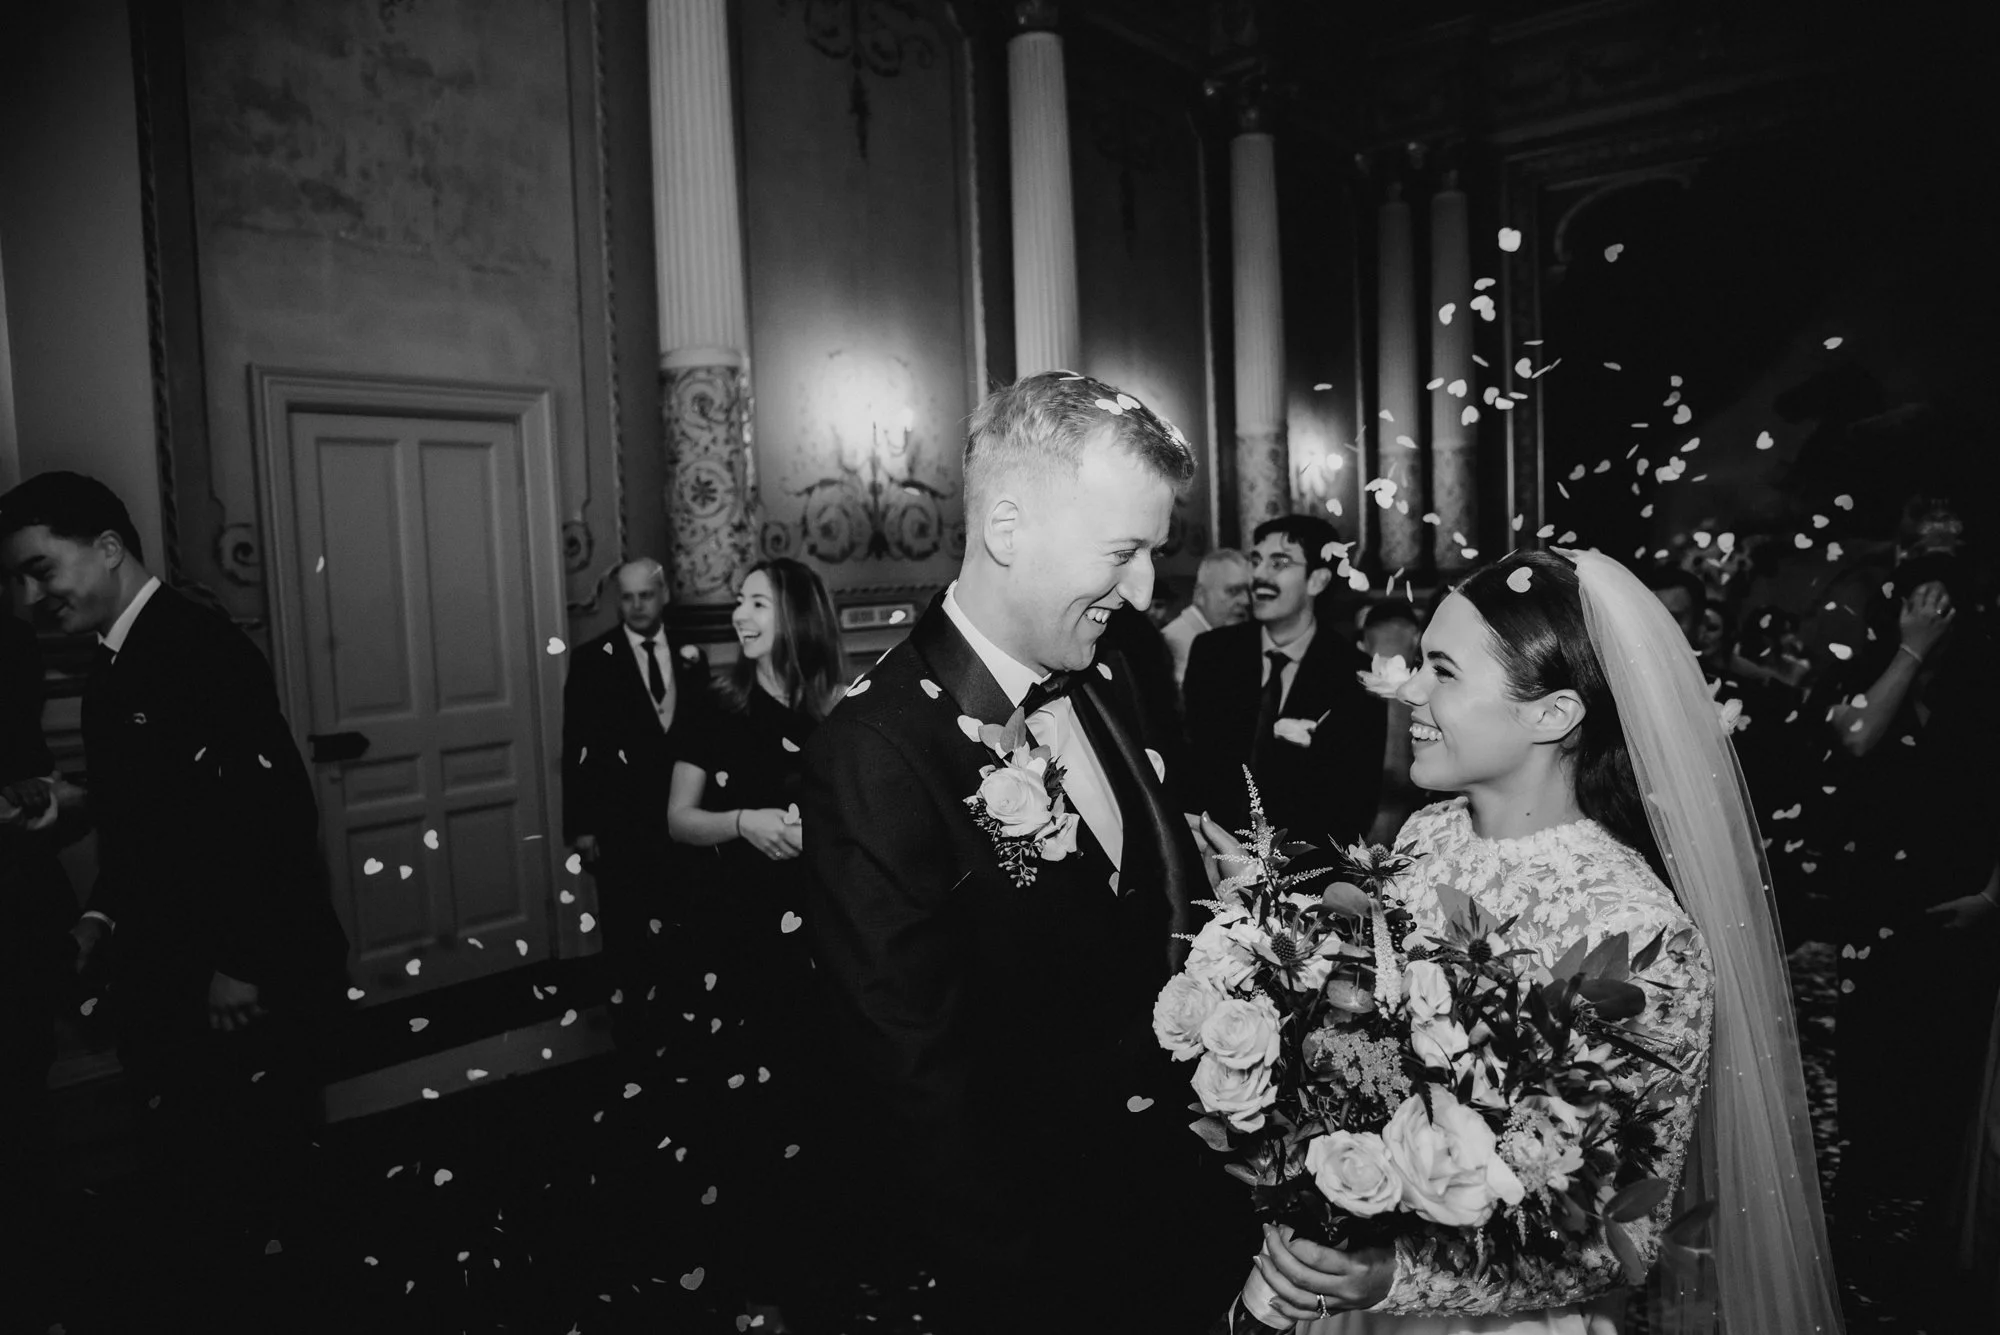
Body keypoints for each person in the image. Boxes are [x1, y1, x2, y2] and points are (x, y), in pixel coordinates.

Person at [1240, 549, 1841, 1335]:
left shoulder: (1635, 934)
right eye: (1420, 662)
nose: (1410, 690)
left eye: (1443, 671)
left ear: (1553, 713)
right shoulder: (1430, 832)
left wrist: (1398, 1276)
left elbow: (1613, 1234)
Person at [800, 371, 1244, 1335]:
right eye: (1123, 552)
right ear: (1008, 529)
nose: (1141, 590)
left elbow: (1146, 913)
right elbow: (913, 1082)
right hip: (1040, 1265)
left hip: (1177, 1217)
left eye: (1152, 556)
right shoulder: (876, 754)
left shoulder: (1110, 674)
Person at [0, 471, 348, 1321]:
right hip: (174, 974)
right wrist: (95, 913)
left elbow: (273, 812)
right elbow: (157, 818)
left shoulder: (195, 643)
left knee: (267, 1180)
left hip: (238, 981)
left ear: (108, 548)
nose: (28, 596)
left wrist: (240, 962)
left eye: (41, 570)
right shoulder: (114, 660)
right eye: (16, 580)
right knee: (206, 1183)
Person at [665, 557, 843, 1332]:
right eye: (738, 600)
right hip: (732, 932)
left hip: (814, 934)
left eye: (757, 601)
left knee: (811, 1104)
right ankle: (748, 1275)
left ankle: (816, 1261)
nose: (739, 613)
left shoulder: (832, 710)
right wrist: (746, 821)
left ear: (796, 615)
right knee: (744, 1115)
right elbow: (678, 818)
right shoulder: (715, 702)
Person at [1824, 543, 2000, 1316]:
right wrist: (1908, 653)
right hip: (1877, 910)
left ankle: (1932, 1242)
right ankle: (1859, 1232)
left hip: (1966, 908)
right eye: (1914, 604)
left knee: (1948, 1075)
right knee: (1869, 1063)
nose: (1928, 616)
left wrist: (1995, 898)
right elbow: (1857, 738)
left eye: (1941, 607)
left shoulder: (1988, 685)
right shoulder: (1858, 674)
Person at [560, 558, 708, 1043]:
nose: (637, 605)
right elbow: (576, 747)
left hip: (680, 817)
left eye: (646, 595)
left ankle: (683, 1015)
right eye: (627, 597)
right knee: (625, 932)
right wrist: (581, 827)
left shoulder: (691, 654)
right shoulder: (590, 660)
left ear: (662, 594)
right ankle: (632, 1031)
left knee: (684, 920)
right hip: (620, 822)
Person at [1183, 514, 1385, 848]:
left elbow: (1356, 801)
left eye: (1280, 563)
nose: (1259, 575)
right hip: (1209, 856)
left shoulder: (1354, 674)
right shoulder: (1213, 653)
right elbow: (1193, 764)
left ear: (1317, 580)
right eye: (1257, 561)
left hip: (1303, 875)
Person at [1359, 598, 1425, 845]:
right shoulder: (1425, 696)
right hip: (1410, 831)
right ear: (1416, 638)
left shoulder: (1337, 689)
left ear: (1365, 640)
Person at [1164, 547, 1252, 686]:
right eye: (1233, 591)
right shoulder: (1173, 645)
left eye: (1249, 591)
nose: (1246, 600)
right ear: (1200, 595)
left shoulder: (1225, 637)